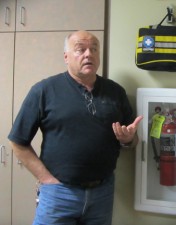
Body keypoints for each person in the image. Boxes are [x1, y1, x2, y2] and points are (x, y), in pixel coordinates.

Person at [8, 30, 143, 225]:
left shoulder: (116, 92)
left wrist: (129, 139)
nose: (89, 54)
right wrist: (46, 179)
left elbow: (133, 138)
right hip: (58, 194)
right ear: (66, 56)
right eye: (80, 49)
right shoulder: (44, 90)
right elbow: (18, 142)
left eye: (94, 49)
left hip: (102, 193)